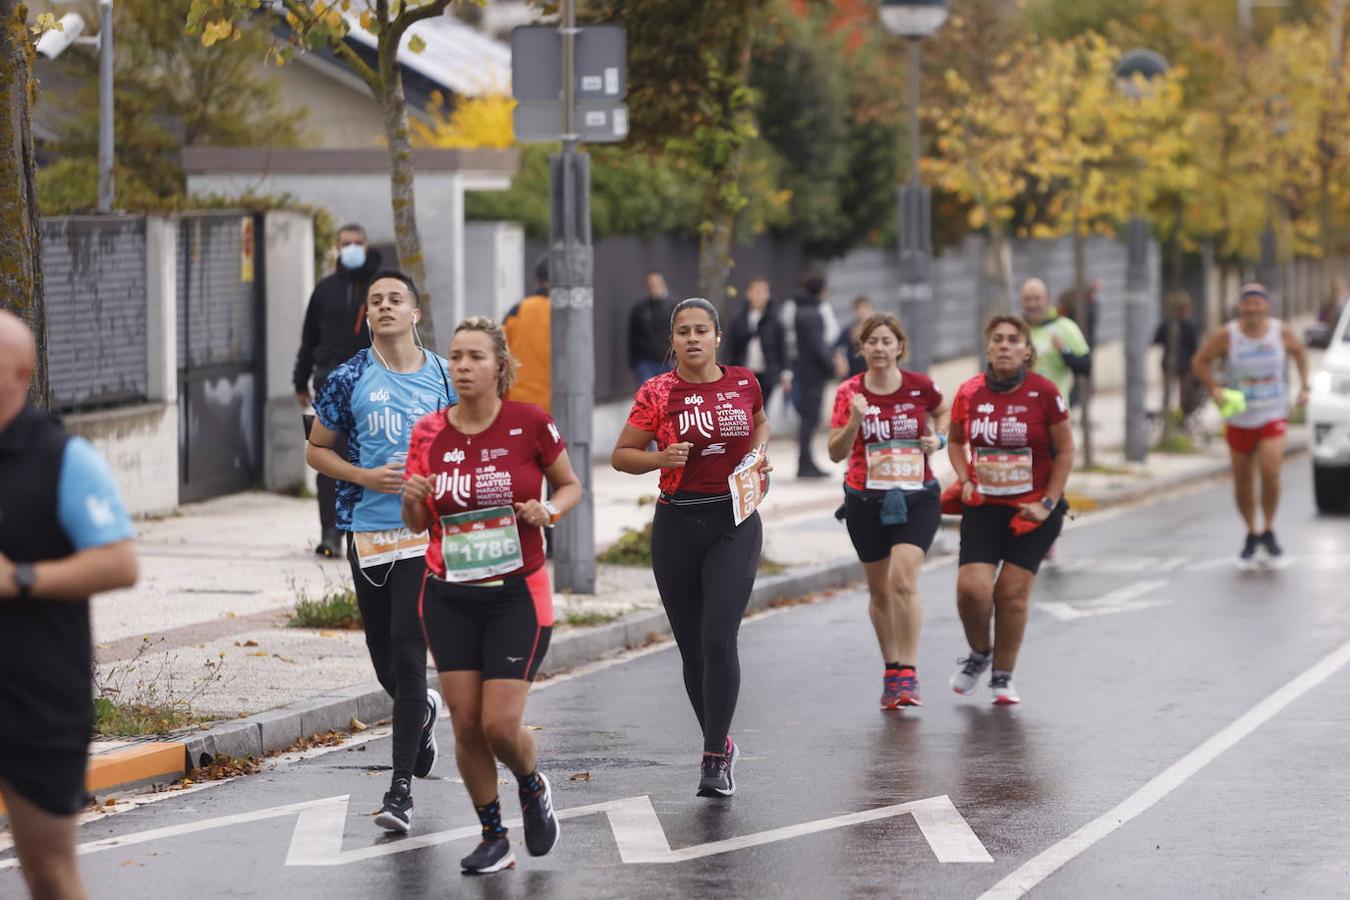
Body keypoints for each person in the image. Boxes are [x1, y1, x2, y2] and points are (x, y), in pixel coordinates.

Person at [403, 317, 582, 875]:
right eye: (455, 357)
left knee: (501, 725)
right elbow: (415, 524)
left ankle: (531, 783)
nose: (462, 367)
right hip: (448, 594)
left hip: (516, 595)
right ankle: (492, 834)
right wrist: (413, 496)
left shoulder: (531, 424)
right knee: (465, 723)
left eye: (475, 357)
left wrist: (547, 511)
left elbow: (571, 485)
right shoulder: (429, 432)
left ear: (500, 367)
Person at [306, 270, 454, 835]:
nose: (385, 307)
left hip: (424, 534)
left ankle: (399, 793)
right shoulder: (348, 378)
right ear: (366, 315)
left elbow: (466, 443)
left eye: (396, 299)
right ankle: (424, 714)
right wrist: (365, 474)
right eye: (376, 301)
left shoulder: (443, 375)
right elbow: (318, 450)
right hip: (366, 534)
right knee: (385, 660)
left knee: (408, 648)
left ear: (415, 312)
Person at [0, 310, 139, 900]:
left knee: (49, 873)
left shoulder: (64, 458)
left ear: (22, 371)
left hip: (37, 696)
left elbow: (119, 562)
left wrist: (21, 579)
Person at [611, 298, 771, 798]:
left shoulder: (744, 381)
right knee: (692, 651)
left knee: (718, 636)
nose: (693, 338)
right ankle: (719, 742)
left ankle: (712, 758)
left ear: (718, 336)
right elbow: (621, 456)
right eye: (683, 332)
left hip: (734, 520)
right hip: (677, 523)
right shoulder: (657, 392)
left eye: (702, 330)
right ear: (673, 340)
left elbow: (760, 420)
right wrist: (659, 457)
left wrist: (759, 453)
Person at [947, 315, 1074, 705]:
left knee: (1012, 594)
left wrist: (1048, 502)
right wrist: (965, 478)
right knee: (972, 590)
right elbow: (954, 441)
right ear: (987, 348)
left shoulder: (1045, 392)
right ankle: (979, 653)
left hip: (1033, 509)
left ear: (1027, 350)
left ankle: (1003, 675)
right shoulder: (969, 392)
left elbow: (1066, 450)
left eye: (1013, 340)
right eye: (997, 339)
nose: (1004, 345)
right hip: (984, 506)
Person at [826, 313, 948, 709]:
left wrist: (937, 437)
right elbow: (834, 453)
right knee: (879, 592)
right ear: (861, 349)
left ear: (899, 347)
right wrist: (856, 421)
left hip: (917, 497)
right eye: (872, 341)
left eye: (886, 341)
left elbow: (944, 411)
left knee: (902, 579)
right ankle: (892, 669)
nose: (879, 348)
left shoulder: (920, 387)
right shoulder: (849, 393)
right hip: (865, 499)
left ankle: (909, 672)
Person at [1190, 283, 1310, 565]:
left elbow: (1301, 353)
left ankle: (1268, 527)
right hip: (1240, 415)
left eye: (1257, 302)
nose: (1252, 308)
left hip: (1272, 411)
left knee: (1270, 469)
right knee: (1243, 478)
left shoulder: (1280, 331)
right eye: (1247, 303)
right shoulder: (1227, 335)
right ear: (1240, 307)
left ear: (1266, 306)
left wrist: (1304, 387)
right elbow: (1200, 361)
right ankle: (1251, 531)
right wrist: (1215, 390)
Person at [294, 223, 383, 558]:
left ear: (367, 244)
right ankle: (331, 532)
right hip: (330, 384)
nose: (352, 248)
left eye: (358, 242)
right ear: (337, 247)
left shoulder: (379, 290)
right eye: (346, 243)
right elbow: (309, 339)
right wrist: (300, 380)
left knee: (368, 458)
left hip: (372, 386)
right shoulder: (325, 290)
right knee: (329, 458)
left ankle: (362, 531)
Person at [791, 271, 837, 478]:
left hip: (805, 370)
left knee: (807, 419)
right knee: (810, 419)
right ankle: (805, 462)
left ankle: (805, 460)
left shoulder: (801, 310)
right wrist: (831, 367)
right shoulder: (813, 313)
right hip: (813, 373)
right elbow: (818, 346)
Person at [1021, 278, 1090, 407]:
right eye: (1027, 299)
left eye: (1037, 298)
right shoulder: (1016, 331)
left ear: (1047, 299)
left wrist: (1064, 351)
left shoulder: (1065, 327)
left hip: (1056, 413)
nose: (1032, 304)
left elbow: (1085, 366)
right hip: (1023, 414)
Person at [725, 276, 787, 407]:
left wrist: (785, 373)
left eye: (764, 292)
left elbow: (782, 348)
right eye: (756, 291)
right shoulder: (738, 320)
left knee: (764, 408)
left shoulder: (775, 321)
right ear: (748, 294)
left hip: (768, 373)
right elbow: (730, 347)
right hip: (743, 373)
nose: (760, 296)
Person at [503, 257, 551, 414]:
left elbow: (497, 353)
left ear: (538, 280)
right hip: (557, 408)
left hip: (518, 404)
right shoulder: (571, 319)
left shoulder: (517, 311)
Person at [1153, 291, 1202, 418]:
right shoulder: (1188, 324)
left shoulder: (1167, 323)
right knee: (1182, 392)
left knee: (1175, 392)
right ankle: (1179, 416)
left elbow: (1156, 340)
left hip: (1173, 362)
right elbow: (1195, 346)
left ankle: (1173, 414)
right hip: (1184, 363)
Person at [629, 271, 673, 385]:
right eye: (650, 285)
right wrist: (634, 362)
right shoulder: (640, 310)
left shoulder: (674, 307)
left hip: (669, 361)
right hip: (646, 361)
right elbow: (633, 336)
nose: (654, 288)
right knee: (649, 396)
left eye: (657, 284)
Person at [833, 295, 875, 379]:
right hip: (854, 372)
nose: (862, 311)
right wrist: (840, 360)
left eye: (865, 308)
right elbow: (838, 348)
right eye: (859, 308)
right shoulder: (848, 330)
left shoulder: (877, 329)